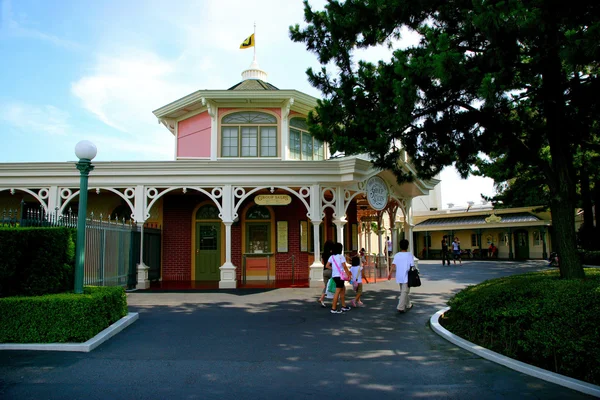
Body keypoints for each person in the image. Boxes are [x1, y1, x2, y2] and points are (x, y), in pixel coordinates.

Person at [388, 239, 414, 313]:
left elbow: (393, 265)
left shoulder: (397, 255)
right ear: (407, 246)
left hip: (399, 275)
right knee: (404, 291)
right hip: (406, 275)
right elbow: (412, 265)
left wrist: (390, 274)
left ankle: (408, 304)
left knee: (404, 291)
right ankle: (400, 307)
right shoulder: (409, 255)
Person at [326, 242, 352, 314]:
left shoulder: (332, 257)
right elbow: (344, 267)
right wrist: (349, 275)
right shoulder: (341, 257)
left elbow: (327, 266)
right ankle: (333, 308)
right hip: (340, 276)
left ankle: (344, 306)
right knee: (337, 292)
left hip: (334, 276)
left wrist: (333, 269)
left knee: (343, 290)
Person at [318, 240, 335, 307]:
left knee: (326, 286)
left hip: (324, 271)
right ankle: (335, 300)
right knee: (334, 285)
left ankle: (321, 298)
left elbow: (323, 263)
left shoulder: (323, 253)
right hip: (331, 271)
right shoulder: (332, 254)